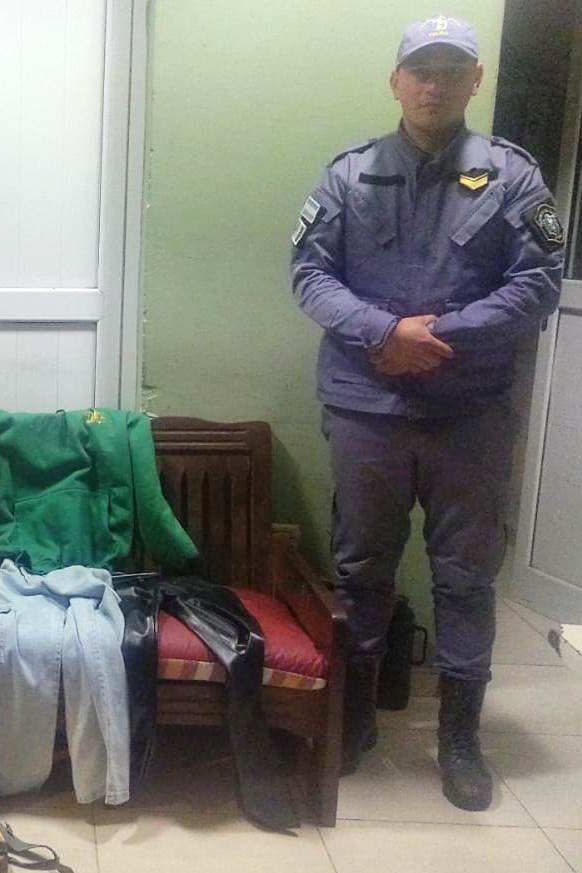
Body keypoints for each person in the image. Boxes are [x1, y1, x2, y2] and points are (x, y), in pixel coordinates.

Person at [291, 16, 563, 812]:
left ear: (476, 80)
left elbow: (538, 281)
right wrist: (384, 332)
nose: (434, 84)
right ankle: (355, 716)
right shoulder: (349, 174)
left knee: (466, 577)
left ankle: (459, 736)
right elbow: (309, 272)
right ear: (396, 81)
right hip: (366, 408)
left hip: (469, 413)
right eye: (421, 69)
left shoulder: (513, 175)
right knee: (361, 567)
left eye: (451, 70)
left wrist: (439, 336)